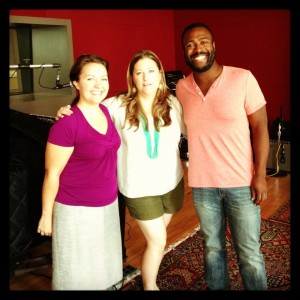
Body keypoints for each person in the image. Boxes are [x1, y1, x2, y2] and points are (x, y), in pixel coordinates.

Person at [56, 50, 186, 290]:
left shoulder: (173, 103)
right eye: (139, 72)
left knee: (156, 241)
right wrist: (66, 112)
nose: (146, 77)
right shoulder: (116, 106)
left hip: (172, 183)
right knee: (158, 240)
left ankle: (148, 272)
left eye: (151, 71)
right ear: (132, 78)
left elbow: (189, 133)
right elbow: (87, 110)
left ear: (160, 74)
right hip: (138, 188)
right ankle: (150, 286)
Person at [176, 22, 270, 290]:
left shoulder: (243, 78)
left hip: (242, 183)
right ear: (185, 51)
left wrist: (260, 174)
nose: (198, 48)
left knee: (249, 254)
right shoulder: (182, 88)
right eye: (191, 44)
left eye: (203, 42)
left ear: (214, 46)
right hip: (203, 186)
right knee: (212, 249)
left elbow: (261, 127)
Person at [37, 54, 123, 290]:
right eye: (91, 78)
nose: (99, 85)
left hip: (107, 203)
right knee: (76, 276)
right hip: (77, 209)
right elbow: (51, 173)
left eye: (103, 78)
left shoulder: (104, 111)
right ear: (76, 83)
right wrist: (47, 215)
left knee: (103, 268)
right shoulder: (67, 123)